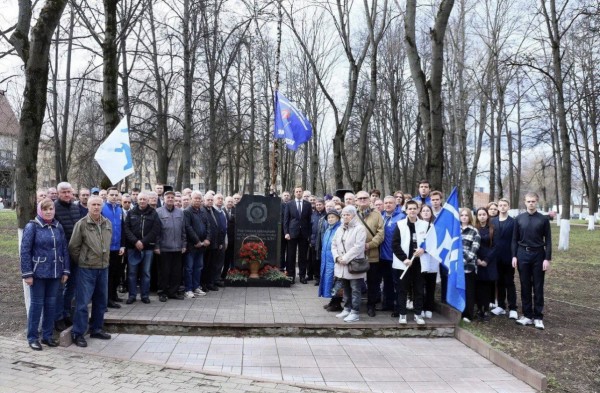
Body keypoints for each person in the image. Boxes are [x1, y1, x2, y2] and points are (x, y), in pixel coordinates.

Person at [20, 199, 70, 350]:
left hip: (55, 273)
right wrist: (27, 274)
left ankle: (47, 336)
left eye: (51, 209)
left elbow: (64, 249)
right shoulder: (32, 226)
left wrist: (65, 270)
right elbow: (25, 251)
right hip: (38, 274)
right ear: (40, 210)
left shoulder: (58, 226)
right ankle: (32, 337)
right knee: (36, 305)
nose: (49, 211)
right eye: (45, 209)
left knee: (51, 305)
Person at [68, 196, 113, 348]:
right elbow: (73, 247)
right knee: (82, 303)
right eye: (93, 204)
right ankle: (78, 333)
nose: (96, 207)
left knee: (101, 301)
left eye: (98, 205)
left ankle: (96, 328)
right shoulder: (81, 224)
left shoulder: (107, 223)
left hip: (103, 268)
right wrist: (83, 260)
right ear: (88, 206)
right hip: (87, 269)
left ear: (102, 206)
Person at [512, 192, 551, 330]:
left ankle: (538, 317)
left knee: (538, 286)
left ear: (537, 202)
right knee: (525, 285)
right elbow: (514, 239)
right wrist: (514, 256)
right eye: (528, 201)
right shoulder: (519, 219)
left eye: (533, 201)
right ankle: (527, 315)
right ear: (524, 202)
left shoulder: (543, 219)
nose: (531, 204)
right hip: (522, 254)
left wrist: (547, 258)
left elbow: (549, 240)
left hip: (538, 255)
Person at [392, 200, 429, 325]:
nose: (412, 211)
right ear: (406, 210)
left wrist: (423, 249)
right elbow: (395, 244)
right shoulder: (400, 224)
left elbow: (431, 243)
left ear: (418, 210)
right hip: (404, 263)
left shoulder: (425, 225)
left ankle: (418, 314)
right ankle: (402, 314)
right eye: (410, 209)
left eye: (414, 208)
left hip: (419, 262)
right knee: (402, 289)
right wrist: (404, 259)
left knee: (419, 289)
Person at [123, 191, 161, 304]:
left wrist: (143, 242)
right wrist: (135, 241)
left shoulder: (153, 213)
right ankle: (132, 295)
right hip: (132, 247)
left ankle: (145, 295)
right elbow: (127, 229)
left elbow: (155, 230)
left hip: (148, 247)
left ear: (148, 200)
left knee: (146, 272)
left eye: (144, 199)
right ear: (137, 200)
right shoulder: (131, 213)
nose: (142, 201)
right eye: (140, 199)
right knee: (132, 273)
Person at [53, 182, 82, 331]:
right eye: (63, 192)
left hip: (75, 254)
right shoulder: (54, 208)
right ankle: (57, 318)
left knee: (72, 287)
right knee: (59, 288)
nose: (66, 194)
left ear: (72, 193)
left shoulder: (75, 207)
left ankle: (66, 313)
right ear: (58, 193)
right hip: (60, 255)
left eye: (68, 192)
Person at [332, 205, 367, 323]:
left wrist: (345, 258)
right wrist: (337, 257)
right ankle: (347, 308)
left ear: (353, 215)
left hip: (354, 263)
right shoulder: (339, 228)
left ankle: (355, 312)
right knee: (345, 287)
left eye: (348, 214)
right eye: (344, 214)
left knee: (355, 289)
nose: (345, 216)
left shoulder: (360, 228)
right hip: (341, 264)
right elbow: (334, 245)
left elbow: (358, 247)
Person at [355, 191, 384, 317]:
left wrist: (370, 244)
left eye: (365, 198)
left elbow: (381, 233)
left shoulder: (377, 214)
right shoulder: (353, 214)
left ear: (369, 200)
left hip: (372, 253)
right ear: (356, 200)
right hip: (356, 254)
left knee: (373, 281)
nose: (362, 200)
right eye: (360, 198)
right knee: (355, 281)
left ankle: (371, 305)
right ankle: (354, 306)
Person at [155, 191, 186, 302]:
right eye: (168, 197)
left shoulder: (180, 212)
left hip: (178, 247)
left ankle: (173, 292)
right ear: (164, 199)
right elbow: (156, 232)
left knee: (176, 272)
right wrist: (157, 246)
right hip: (164, 248)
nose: (170, 199)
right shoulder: (158, 212)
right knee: (164, 272)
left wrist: (184, 244)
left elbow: (183, 230)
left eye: (172, 197)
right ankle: (162, 292)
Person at [491, 198, 518, 319]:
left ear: (508, 207)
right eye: (500, 205)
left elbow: (515, 240)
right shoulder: (492, 221)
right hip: (496, 258)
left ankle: (512, 308)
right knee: (499, 282)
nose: (502, 207)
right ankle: (501, 306)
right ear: (498, 207)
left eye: (504, 205)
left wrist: (514, 256)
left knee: (509, 282)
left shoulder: (513, 222)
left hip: (508, 257)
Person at [380, 196, 405, 316]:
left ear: (396, 204)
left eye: (391, 203)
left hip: (395, 256)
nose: (388, 205)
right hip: (383, 256)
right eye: (386, 203)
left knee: (397, 283)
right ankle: (387, 303)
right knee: (387, 281)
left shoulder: (401, 217)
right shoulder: (381, 216)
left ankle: (398, 307)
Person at [183, 191, 211, 298]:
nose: (198, 200)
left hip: (202, 246)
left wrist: (207, 239)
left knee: (198, 267)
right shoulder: (187, 212)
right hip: (192, 246)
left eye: (199, 198)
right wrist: (197, 241)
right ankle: (188, 289)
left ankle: (196, 287)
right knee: (189, 268)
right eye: (196, 198)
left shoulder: (202, 211)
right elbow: (188, 228)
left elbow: (208, 226)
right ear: (191, 199)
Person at [102, 187, 125, 309]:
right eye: (112, 195)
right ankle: (107, 299)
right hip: (106, 247)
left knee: (117, 273)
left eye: (116, 195)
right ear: (107, 195)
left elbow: (122, 227)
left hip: (118, 247)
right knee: (109, 275)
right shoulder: (102, 208)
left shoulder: (120, 209)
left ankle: (114, 294)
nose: (114, 197)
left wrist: (122, 244)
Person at [283, 186, 312, 284]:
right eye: (297, 191)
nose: (298, 193)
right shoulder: (289, 204)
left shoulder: (307, 205)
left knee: (303, 256)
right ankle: (291, 276)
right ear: (294, 193)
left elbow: (309, 220)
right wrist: (286, 232)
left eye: (300, 191)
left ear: (302, 193)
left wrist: (309, 233)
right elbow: (286, 220)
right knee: (291, 255)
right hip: (292, 233)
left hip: (304, 233)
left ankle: (302, 276)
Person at [474, 207, 498, 322]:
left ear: (487, 216)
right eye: (480, 214)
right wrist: (478, 259)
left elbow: (495, 246)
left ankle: (486, 308)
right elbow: (472, 245)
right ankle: (479, 309)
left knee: (488, 286)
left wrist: (486, 260)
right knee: (478, 285)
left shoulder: (492, 229)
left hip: (489, 261)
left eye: (484, 214)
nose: (482, 216)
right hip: (477, 260)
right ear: (477, 216)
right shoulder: (474, 229)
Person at [460, 208, 480, 323]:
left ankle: (468, 314)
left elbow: (474, 251)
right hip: (456, 268)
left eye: (466, 215)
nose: (464, 217)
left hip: (468, 267)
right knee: (459, 290)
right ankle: (458, 311)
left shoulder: (474, 232)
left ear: (470, 217)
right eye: (462, 215)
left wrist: (463, 262)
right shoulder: (455, 230)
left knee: (469, 291)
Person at [419, 204, 438, 319]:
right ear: (420, 213)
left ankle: (429, 307)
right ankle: (420, 307)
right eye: (423, 211)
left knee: (431, 285)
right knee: (420, 285)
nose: (426, 212)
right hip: (421, 259)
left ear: (431, 213)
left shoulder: (436, 226)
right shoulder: (417, 226)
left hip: (432, 259)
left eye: (428, 211)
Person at [318, 210, 341, 300]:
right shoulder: (328, 229)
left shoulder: (339, 229)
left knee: (335, 281)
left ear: (338, 218)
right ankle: (332, 300)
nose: (330, 219)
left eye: (333, 217)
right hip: (326, 259)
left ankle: (336, 302)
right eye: (329, 218)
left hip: (334, 259)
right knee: (327, 279)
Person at [309, 198, 326, 283]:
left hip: (323, 241)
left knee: (322, 260)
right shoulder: (313, 215)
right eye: (317, 205)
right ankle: (317, 277)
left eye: (320, 204)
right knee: (315, 260)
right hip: (314, 241)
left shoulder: (326, 215)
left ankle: (323, 277)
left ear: (324, 205)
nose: (318, 206)